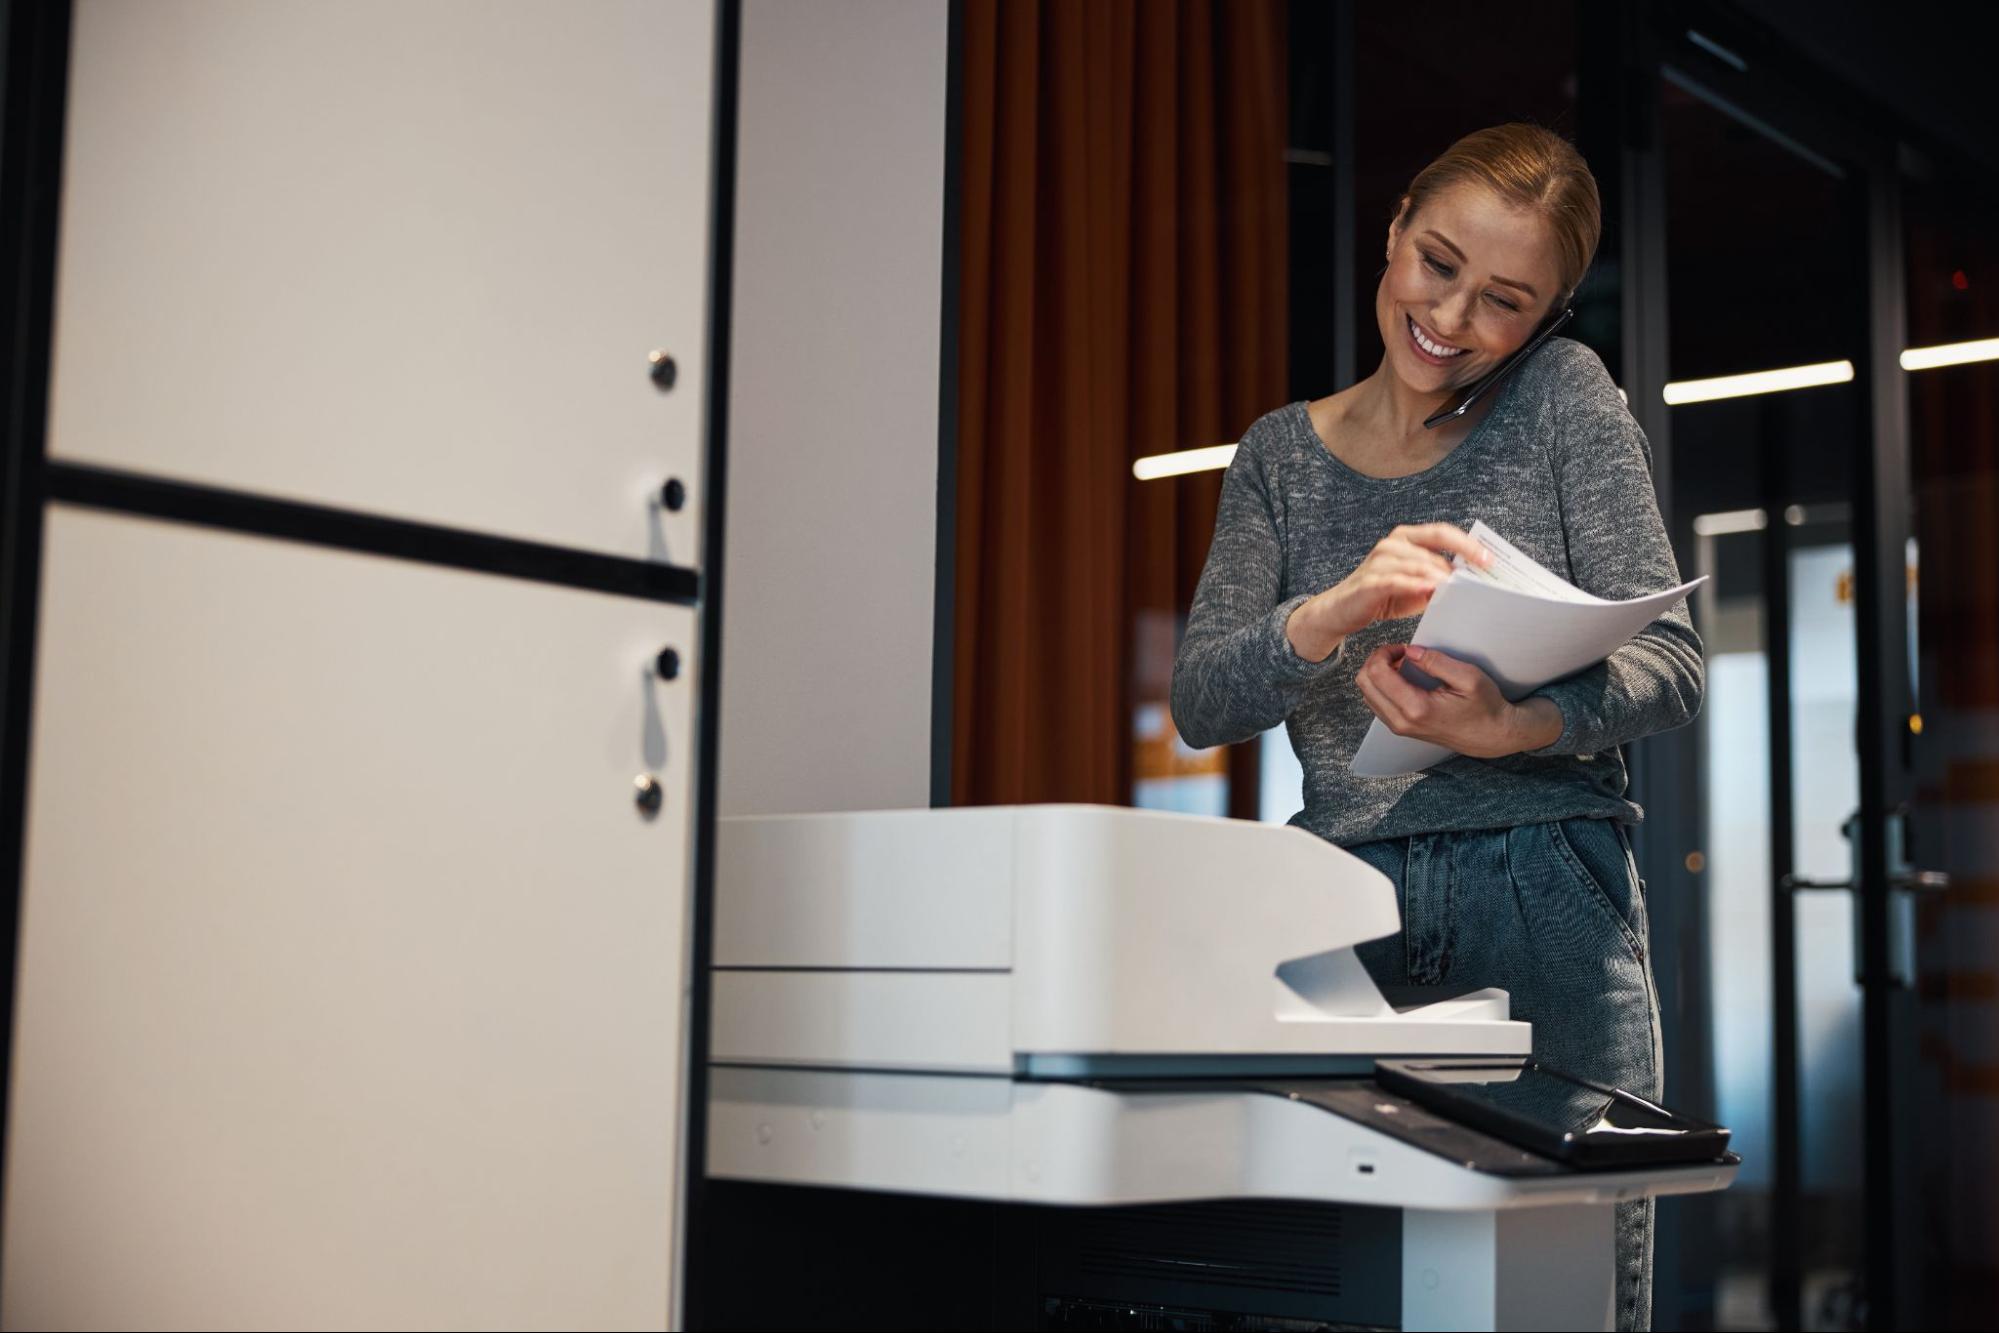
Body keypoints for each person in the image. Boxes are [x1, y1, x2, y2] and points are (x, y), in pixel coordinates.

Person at [1169, 122, 1704, 1332]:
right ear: (1398, 223)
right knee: (1358, 1289)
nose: (1451, 317)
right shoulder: (1274, 457)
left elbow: (1670, 663)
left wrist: (1514, 724)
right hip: (1340, 900)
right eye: (1436, 262)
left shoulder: (1564, 399)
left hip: (1546, 887)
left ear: (1549, 319)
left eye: (1505, 301)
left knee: (1563, 1292)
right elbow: (1201, 702)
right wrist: (1329, 614)